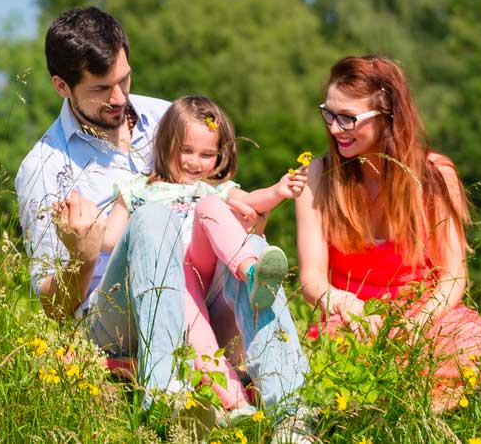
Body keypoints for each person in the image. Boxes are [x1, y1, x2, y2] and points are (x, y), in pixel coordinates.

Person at [15, 7, 313, 441]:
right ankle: (163, 394)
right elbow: (54, 309)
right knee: (151, 214)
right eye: (101, 89)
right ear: (62, 86)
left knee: (249, 259)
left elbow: (222, 197)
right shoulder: (46, 168)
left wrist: (253, 217)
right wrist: (82, 255)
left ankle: (292, 413)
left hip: (201, 280)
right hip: (117, 315)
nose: (119, 98)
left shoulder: (166, 118)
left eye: (125, 79)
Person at [293, 55, 481, 409]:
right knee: (355, 379)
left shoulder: (434, 175)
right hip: (352, 321)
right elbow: (311, 280)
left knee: (466, 353)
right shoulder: (317, 177)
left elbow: (453, 277)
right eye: (329, 114)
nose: (335, 129)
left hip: (425, 315)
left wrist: (419, 321)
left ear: (388, 118)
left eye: (348, 118)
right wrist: (343, 304)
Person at [56, 95, 306, 422]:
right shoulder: (137, 189)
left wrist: (279, 190)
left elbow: (251, 203)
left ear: (219, 157)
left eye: (206, 155)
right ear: (164, 144)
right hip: (172, 279)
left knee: (212, 209)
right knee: (200, 339)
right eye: (185, 150)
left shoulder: (214, 189)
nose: (194, 162)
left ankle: (252, 271)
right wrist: (82, 228)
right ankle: (235, 404)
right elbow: (110, 240)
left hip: (205, 270)